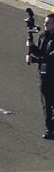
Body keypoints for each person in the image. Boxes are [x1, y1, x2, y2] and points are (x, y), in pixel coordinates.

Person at [28, 12, 54, 140]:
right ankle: (49, 129)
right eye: (45, 22)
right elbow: (41, 53)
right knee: (46, 103)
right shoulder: (43, 36)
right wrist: (32, 48)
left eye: (48, 23)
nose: (45, 24)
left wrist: (35, 60)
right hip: (44, 75)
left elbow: (51, 58)